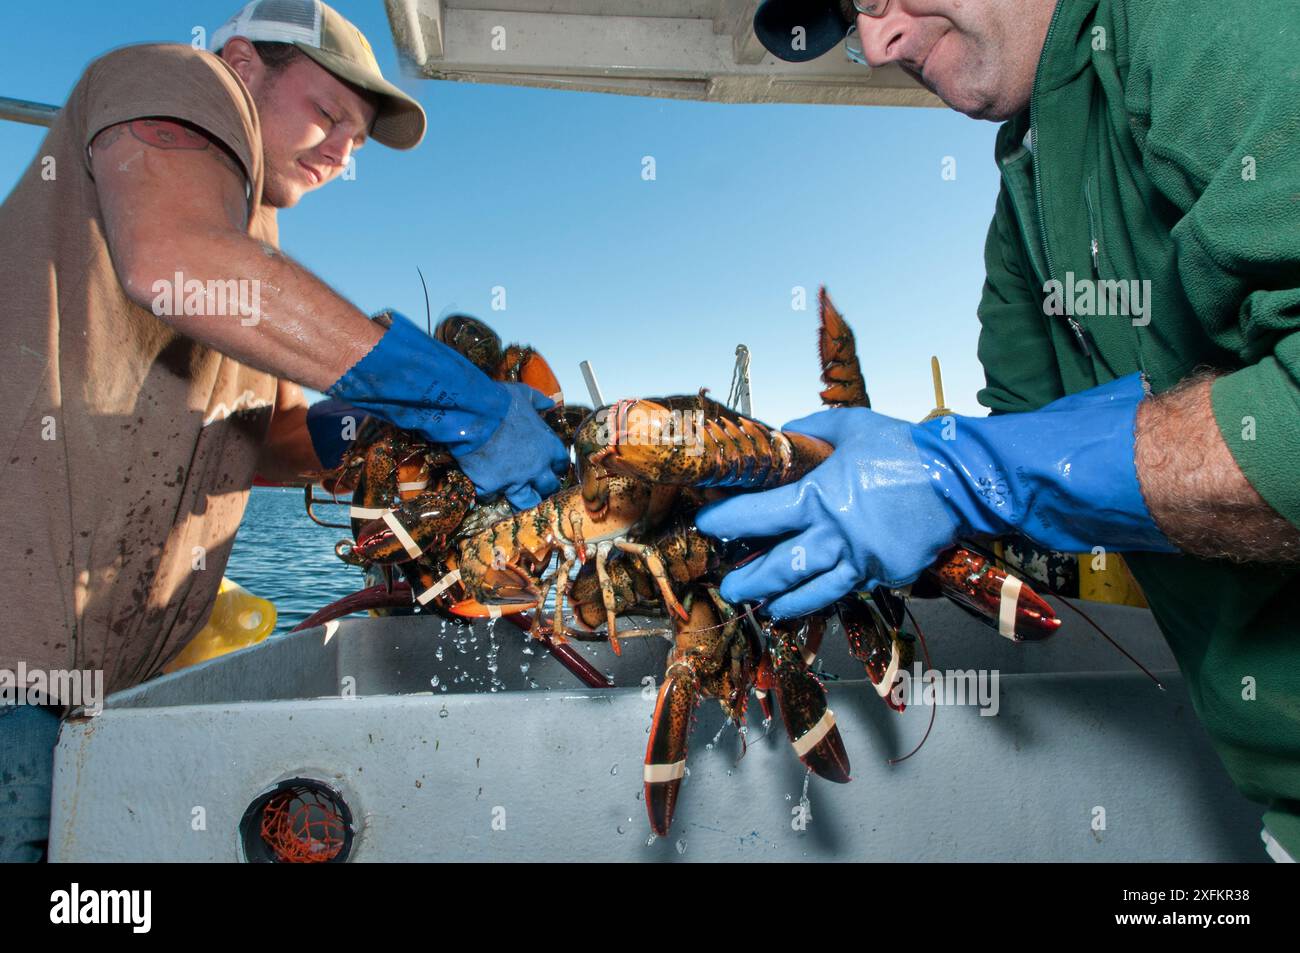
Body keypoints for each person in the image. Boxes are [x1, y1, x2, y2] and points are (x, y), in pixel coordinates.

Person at [712, 0, 1300, 861]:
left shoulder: (1211, 23)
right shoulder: (1024, 204)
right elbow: (1029, 460)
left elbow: (1004, 470)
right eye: (849, 19)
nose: (876, 44)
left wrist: (958, 475)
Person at [0, 0, 567, 862]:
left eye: (358, 143)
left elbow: (256, 442)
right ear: (244, 60)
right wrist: (446, 393)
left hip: (113, 677)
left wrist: (374, 430)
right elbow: (170, 261)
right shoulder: (180, 78)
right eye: (330, 114)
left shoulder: (250, 233)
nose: (343, 152)